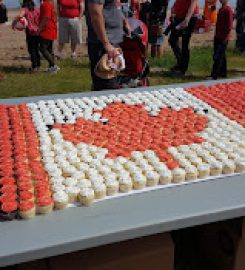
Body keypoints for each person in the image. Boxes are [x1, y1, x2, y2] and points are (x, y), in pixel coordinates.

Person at [85, 0, 130, 91]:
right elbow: (96, 13)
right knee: (107, 89)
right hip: (103, 45)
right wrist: (106, 44)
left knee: (112, 85)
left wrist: (124, 22)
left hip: (113, 43)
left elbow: (115, 5)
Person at [168, 0, 199, 76]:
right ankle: (180, 63)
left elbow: (193, 3)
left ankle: (182, 69)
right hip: (179, 17)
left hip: (190, 17)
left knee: (185, 43)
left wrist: (187, 19)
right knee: (172, 40)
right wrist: (173, 12)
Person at [12, 0, 40, 73]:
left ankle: (34, 67)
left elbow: (20, 16)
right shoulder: (37, 10)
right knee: (36, 48)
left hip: (30, 32)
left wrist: (14, 23)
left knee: (31, 49)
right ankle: (38, 65)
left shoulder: (25, 9)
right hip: (38, 31)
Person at [211, 0, 234, 80]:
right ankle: (223, 73)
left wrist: (226, 38)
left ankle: (214, 74)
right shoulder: (220, 9)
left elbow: (229, 26)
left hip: (223, 38)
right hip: (217, 36)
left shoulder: (228, 10)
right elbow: (218, 23)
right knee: (222, 55)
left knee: (218, 56)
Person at [39, 0, 59, 73]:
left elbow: (46, 17)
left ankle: (53, 66)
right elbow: (56, 16)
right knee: (49, 49)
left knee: (42, 48)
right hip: (52, 28)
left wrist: (39, 28)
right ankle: (51, 68)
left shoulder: (46, 4)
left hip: (47, 29)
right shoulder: (52, 4)